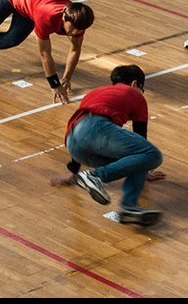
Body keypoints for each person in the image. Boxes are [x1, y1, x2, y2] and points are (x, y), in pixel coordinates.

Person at [60, 65, 164, 226]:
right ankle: (94, 177)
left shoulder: (95, 93)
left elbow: (82, 134)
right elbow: (141, 137)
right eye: (141, 89)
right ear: (135, 84)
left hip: (74, 143)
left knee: (137, 163)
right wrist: (148, 166)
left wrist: (73, 172)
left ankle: (129, 210)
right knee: (152, 155)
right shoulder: (134, 95)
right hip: (95, 129)